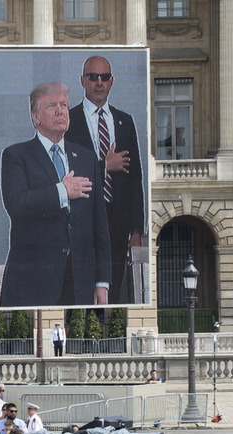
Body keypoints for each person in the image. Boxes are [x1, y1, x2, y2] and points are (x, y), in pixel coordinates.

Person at [0, 82, 111, 307]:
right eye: (52, 106)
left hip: (79, 280)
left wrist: (102, 281)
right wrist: (63, 191)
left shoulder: (87, 159)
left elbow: (100, 225)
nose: (61, 111)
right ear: (36, 117)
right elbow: (17, 204)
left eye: (64, 105)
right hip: (32, 282)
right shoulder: (17, 155)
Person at [66, 55, 146, 304]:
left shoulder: (125, 121)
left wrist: (136, 229)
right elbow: (66, 171)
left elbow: (135, 178)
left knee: (114, 284)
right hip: (83, 218)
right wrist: (104, 166)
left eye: (104, 77)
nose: (99, 82)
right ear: (82, 81)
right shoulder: (69, 121)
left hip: (118, 221)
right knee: (84, 285)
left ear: (112, 82)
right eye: (93, 77)